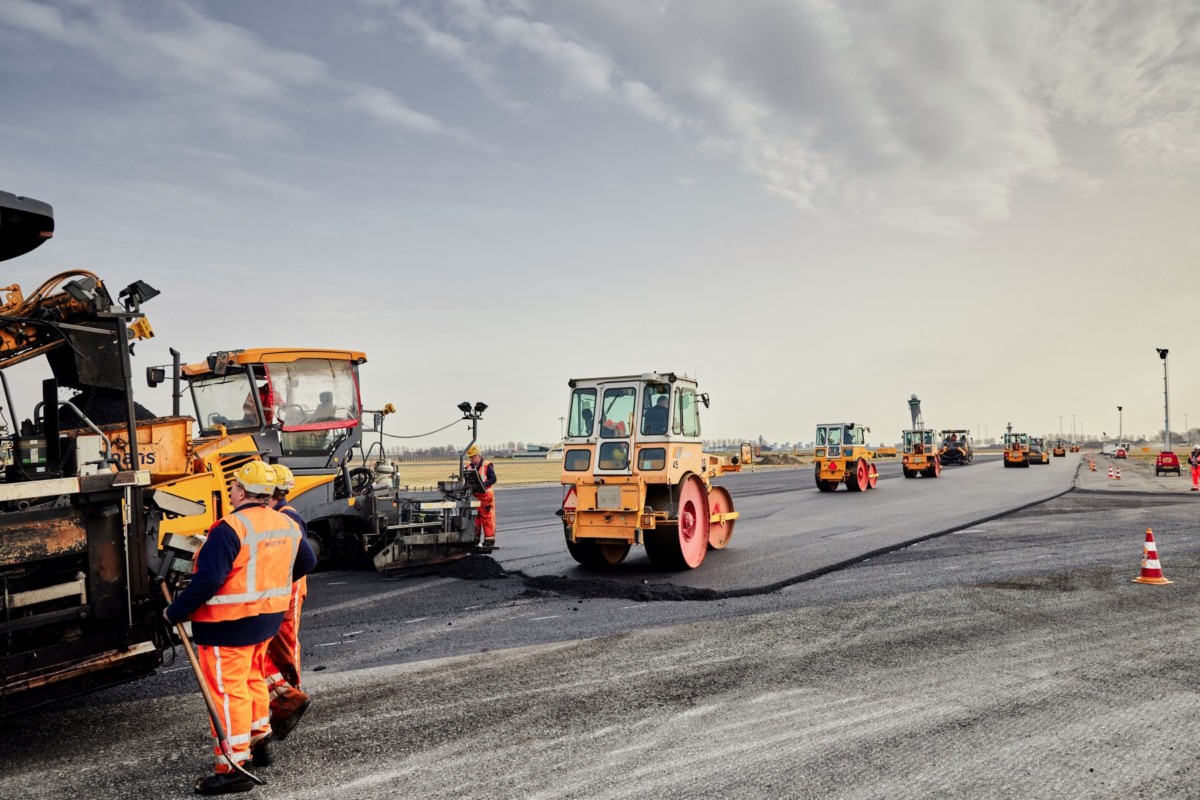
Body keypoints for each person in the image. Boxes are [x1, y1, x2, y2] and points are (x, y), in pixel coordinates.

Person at [164, 461, 314, 795]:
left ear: (243, 492)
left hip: (227, 625)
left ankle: (233, 767)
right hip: (266, 619)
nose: (230, 490)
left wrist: (174, 612)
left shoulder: (229, 527)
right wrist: (269, 585)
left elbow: (208, 580)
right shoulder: (284, 523)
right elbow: (307, 562)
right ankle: (260, 742)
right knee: (251, 679)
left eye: (232, 486)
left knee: (227, 693)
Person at [261, 464, 312, 742]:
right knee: (277, 647)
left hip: (288, 591)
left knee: (286, 647)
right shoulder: (278, 514)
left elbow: (301, 559)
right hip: (281, 590)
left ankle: (293, 696)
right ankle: (287, 698)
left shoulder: (288, 517)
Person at [465, 444, 497, 547]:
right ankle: (475, 539)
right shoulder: (468, 467)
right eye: (470, 457)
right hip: (475, 496)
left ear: (478, 455)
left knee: (487, 517)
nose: (472, 459)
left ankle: (489, 540)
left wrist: (483, 485)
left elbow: (493, 479)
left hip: (486, 495)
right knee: (475, 518)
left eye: (473, 457)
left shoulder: (487, 465)